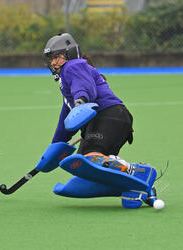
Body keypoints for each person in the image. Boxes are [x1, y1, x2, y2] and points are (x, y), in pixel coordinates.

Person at [43, 33, 160, 208]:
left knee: (90, 160)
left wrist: (80, 100)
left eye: (58, 58)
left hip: (109, 116)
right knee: (88, 168)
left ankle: (138, 172)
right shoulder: (67, 82)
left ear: (69, 55)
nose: (53, 63)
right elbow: (66, 120)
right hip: (111, 121)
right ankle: (135, 189)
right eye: (51, 59)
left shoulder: (74, 67)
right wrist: (55, 147)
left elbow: (83, 89)